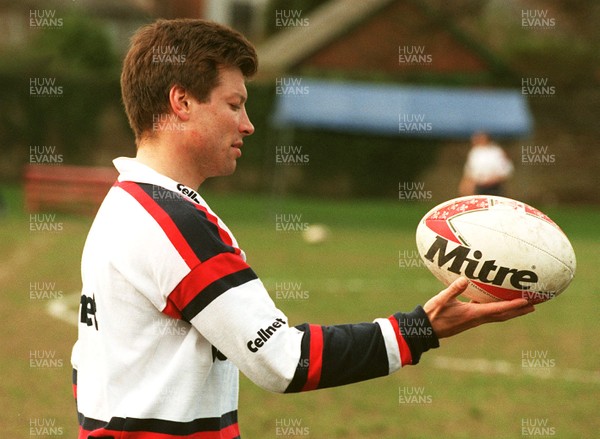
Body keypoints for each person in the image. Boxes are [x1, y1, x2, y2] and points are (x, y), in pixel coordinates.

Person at [71, 19, 535, 438]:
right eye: (234, 105)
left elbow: (84, 366)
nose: (248, 125)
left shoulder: (123, 204)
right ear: (182, 102)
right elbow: (282, 362)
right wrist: (419, 329)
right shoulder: (172, 222)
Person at [459, 131, 514, 196]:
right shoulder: (474, 152)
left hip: (495, 187)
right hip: (480, 186)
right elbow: (469, 172)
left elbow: (507, 169)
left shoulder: (496, 151)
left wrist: (495, 178)